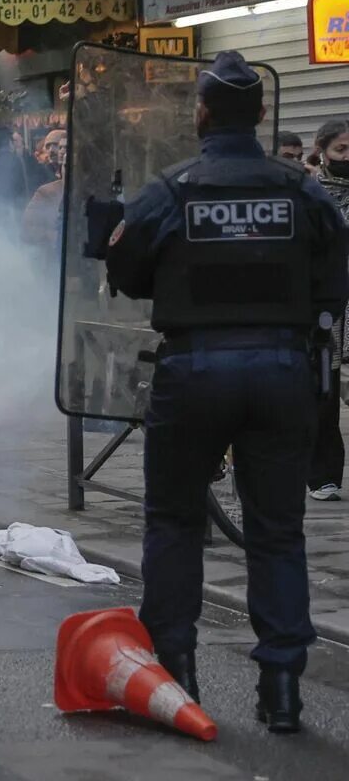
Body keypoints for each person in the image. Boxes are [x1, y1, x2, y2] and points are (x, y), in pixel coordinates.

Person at [104, 51, 348, 734]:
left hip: (194, 370)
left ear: (201, 114)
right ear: (264, 115)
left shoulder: (172, 189)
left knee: (175, 522)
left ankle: (176, 675)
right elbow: (336, 277)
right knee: (276, 532)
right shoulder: (302, 191)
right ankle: (282, 691)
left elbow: (127, 270)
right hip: (281, 372)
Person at [310, 118, 349, 502]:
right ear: (322, 151)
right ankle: (324, 475)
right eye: (342, 150)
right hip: (329, 308)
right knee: (325, 392)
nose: (348, 158)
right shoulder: (310, 194)